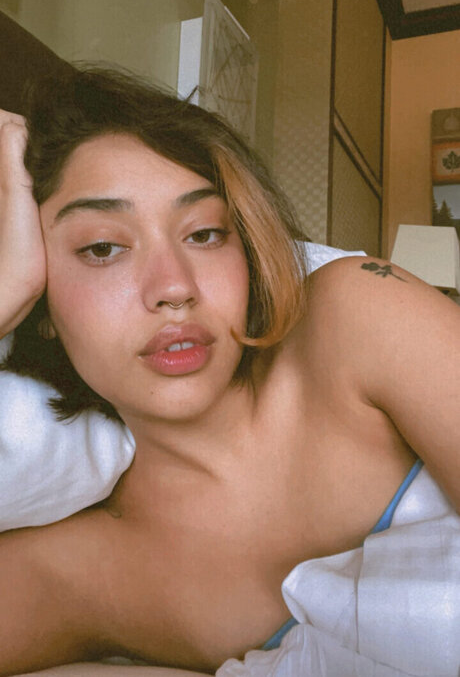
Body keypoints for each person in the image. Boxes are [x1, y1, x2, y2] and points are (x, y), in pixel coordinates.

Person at [0, 67, 458, 677]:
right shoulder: (87, 568)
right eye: (103, 248)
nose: (174, 287)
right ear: (38, 298)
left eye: (206, 234)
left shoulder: (355, 318)